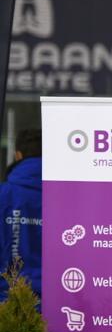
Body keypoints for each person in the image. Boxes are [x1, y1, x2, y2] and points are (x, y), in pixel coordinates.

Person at [0, 128, 42, 301]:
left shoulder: (4, 194)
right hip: (57, 299)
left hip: (7, 296)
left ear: (18, 155)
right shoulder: (66, 196)